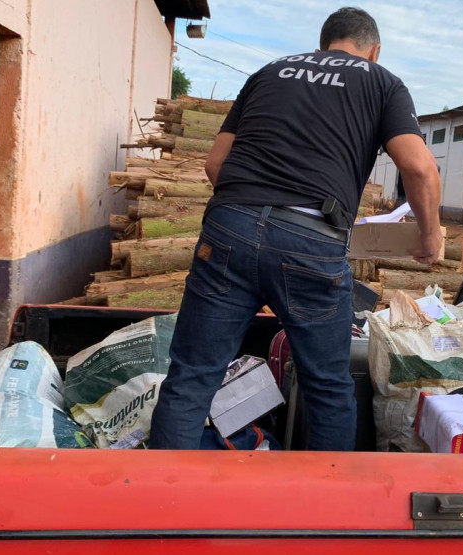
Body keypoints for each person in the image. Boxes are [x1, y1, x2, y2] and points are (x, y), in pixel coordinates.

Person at [149, 7, 442, 451]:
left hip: (228, 228)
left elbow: (215, 165)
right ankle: (323, 511)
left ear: (324, 42)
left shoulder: (269, 73)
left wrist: (247, 215)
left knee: (192, 376)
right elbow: (419, 168)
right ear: (374, 51)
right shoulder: (381, 82)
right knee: (326, 387)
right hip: (311, 239)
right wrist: (430, 234)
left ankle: (160, 507)